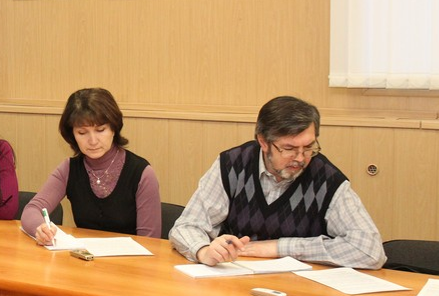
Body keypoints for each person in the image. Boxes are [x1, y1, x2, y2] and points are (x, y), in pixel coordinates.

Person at [169, 95, 386, 269]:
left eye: (308, 147)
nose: (300, 158)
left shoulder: (327, 179)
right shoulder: (233, 164)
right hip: (234, 280)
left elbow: (370, 250)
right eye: (289, 148)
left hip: (302, 292)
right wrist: (204, 251)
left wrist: (279, 248)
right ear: (263, 142)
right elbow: (186, 226)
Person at [22, 88, 161, 244]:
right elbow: (32, 210)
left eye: (100, 130)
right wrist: (40, 229)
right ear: (72, 135)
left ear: (114, 128)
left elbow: (150, 242)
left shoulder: (141, 173)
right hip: (84, 257)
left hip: (132, 258)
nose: (93, 141)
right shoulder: (69, 169)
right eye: (82, 133)